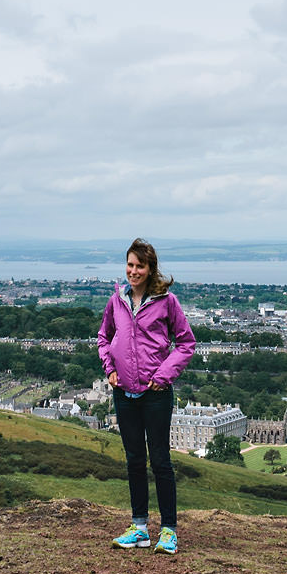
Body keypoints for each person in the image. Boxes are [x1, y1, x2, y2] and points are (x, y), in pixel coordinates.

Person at [97, 237, 197, 553]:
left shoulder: (167, 301)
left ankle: (168, 531)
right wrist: (109, 368)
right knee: (134, 460)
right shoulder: (117, 301)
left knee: (161, 461)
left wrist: (164, 375)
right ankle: (139, 528)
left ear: (150, 268)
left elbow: (186, 343)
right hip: (124, 392)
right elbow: (103, 337)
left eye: (140, 265)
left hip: (156, 393)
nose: (133, 271)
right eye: (130, 264)